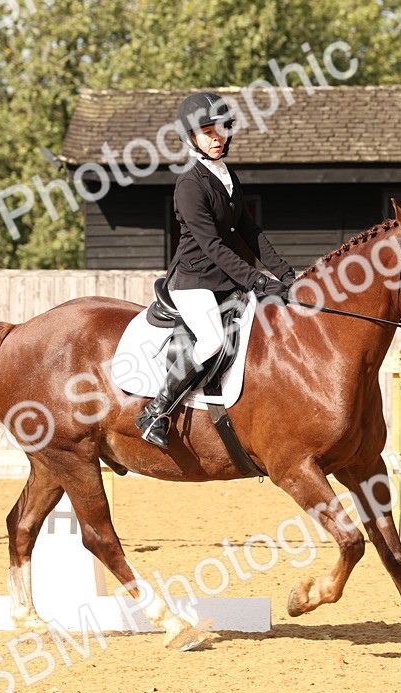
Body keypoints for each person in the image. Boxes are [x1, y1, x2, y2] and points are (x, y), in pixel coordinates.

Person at [135, 91, 297, 449]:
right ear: (192, 137)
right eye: (207, 130)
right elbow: (213, 245)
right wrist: (258, 280)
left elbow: (250, 232)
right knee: (211, 340)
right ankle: (156, 411)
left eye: (221, 128)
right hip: (193, 281)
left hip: (226, 281)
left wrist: (285, 274)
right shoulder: (189, 184)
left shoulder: (226, 175)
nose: (216, 136)